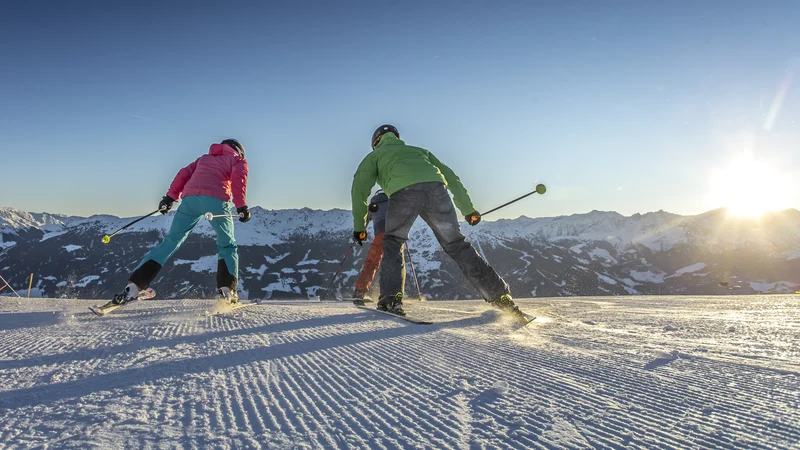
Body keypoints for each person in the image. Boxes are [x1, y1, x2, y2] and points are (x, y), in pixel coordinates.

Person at [350, 124, 526, 322]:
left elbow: (359, 191)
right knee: (457, 245)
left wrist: (359, 228)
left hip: (403, 194)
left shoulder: (374, 156)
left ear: (375, 142)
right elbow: (451, 177)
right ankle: (500, 296)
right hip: (437, 191)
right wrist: (468, 210)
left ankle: (391, 300)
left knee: (392, 243)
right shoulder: (420, 152)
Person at [112, 139, 251, 305]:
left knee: (171, 241)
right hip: (216, 201)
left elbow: (183, 174)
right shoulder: (237, 160)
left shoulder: (203, 159)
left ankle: (134, 287)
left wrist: (169, 198)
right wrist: (241, 207)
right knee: (227, 244)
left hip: (189, 201)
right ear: (239, 151)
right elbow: (239, 180)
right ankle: (227, 291)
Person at [352, 189, 389, 302]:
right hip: (395, 235)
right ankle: (391, 294)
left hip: (380, 237)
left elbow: (364, 224)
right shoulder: (393, 202)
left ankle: (360, 291)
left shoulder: (373, 205)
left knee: (372, 262)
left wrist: (359, 235)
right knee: (394, 263)